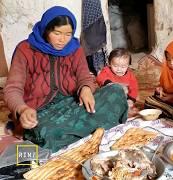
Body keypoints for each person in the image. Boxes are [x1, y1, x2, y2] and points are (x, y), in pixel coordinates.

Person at [4, 6, 128, 152]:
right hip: (40, 111)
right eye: (57, 33)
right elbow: (12, 89)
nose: (63, 40)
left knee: (116, 91)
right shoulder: (25, 50)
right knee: (46, 132)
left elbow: (84, 76)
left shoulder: (75, 48)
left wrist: (86, 89)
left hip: (72, 103)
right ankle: (87, 129)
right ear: (46, 30)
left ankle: (75, 132)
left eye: (68, 34)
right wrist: (22, 109)